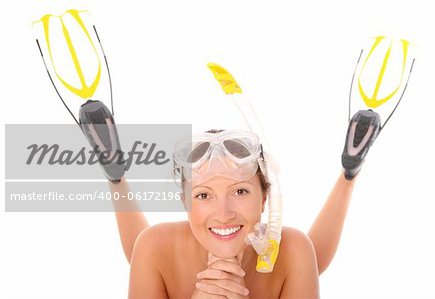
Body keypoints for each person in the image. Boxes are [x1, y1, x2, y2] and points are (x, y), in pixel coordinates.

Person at [79, 101, 379, 298]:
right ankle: (115, 176)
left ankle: (348, 175)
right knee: (141, 252)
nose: (223, 213)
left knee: (309, 257)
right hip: (156, 249)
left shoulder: (294, 250)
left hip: (293, 254)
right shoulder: (153, 246)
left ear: (265, 199)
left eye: (240, 191)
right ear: (185, 204)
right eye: (203, 195)